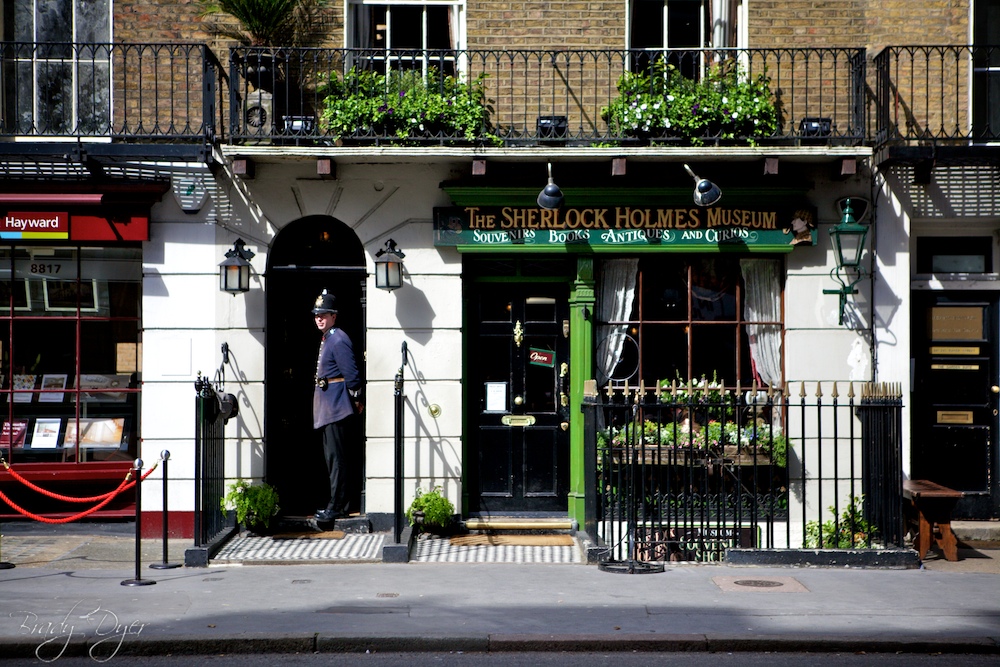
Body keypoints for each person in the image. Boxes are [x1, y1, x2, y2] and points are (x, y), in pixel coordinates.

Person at [311, 289, 363, 522]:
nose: (319, 318)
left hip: (336, 406)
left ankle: (338, 506)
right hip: (328, 406)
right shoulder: (328, 338)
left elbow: (351, 375)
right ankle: (337, 503)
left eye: (324, 314)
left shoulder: (338, 338)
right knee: (333, 458)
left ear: (334, 316)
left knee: (337, 460)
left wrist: (356, 398)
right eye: (317, 315)